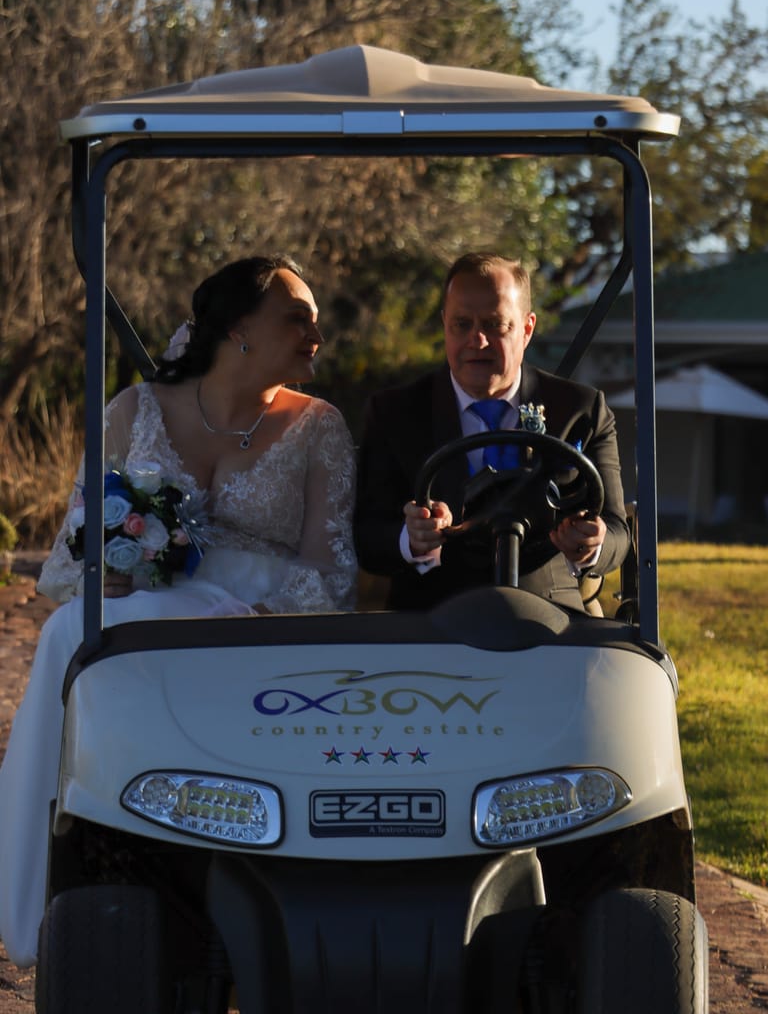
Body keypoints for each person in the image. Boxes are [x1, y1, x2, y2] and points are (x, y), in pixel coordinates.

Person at [0, 254, 358, 967]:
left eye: (318, 320)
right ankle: (41, 886)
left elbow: (334, 577)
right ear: (238, 330)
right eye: (298, 317)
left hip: (262, 628)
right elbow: (71, 560)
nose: (317, 333)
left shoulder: (322, 428)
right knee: (75, 626)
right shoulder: (132, 412)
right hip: (146, 616)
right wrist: (120, 574)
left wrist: (253, 614)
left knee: (101, 631)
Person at [354, 251, 629, 612]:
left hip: (549, 623)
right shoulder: (395, 413)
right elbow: (367, 537)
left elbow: (618, 532)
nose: (477, 341)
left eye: (494, 325)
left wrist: (593, 541)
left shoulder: (580, 409)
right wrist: (412, 537)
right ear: (444, 325)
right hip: (428, 623)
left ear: (527, 328)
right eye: (461, 324)